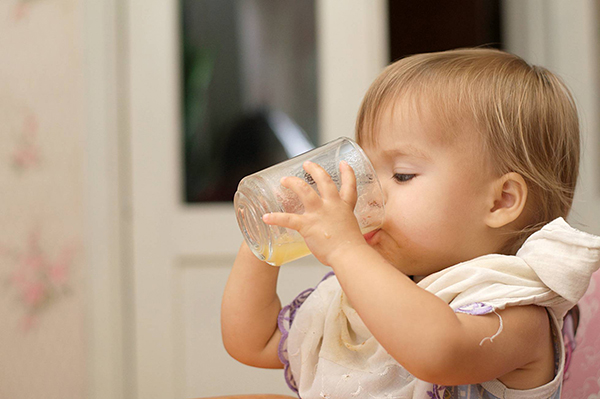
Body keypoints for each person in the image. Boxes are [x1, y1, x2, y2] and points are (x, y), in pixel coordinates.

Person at [220, 48, 600, 398]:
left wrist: (345, 249)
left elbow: (438, 352)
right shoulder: (366, 291)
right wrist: (267, 233)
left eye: (401, 175)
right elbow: (253, 341)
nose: (368, 191)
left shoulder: (516, 312)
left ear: (500, 201)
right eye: (365, 168)